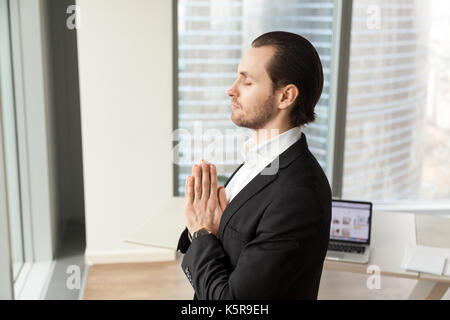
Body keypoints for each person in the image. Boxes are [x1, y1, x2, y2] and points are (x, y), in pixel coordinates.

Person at [177, 31, 332, 300]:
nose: (231, 90)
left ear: (285, 97)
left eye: (246, 82)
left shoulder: (298, 195)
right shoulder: (257, 161)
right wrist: (202, 225)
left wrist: (202, 233)